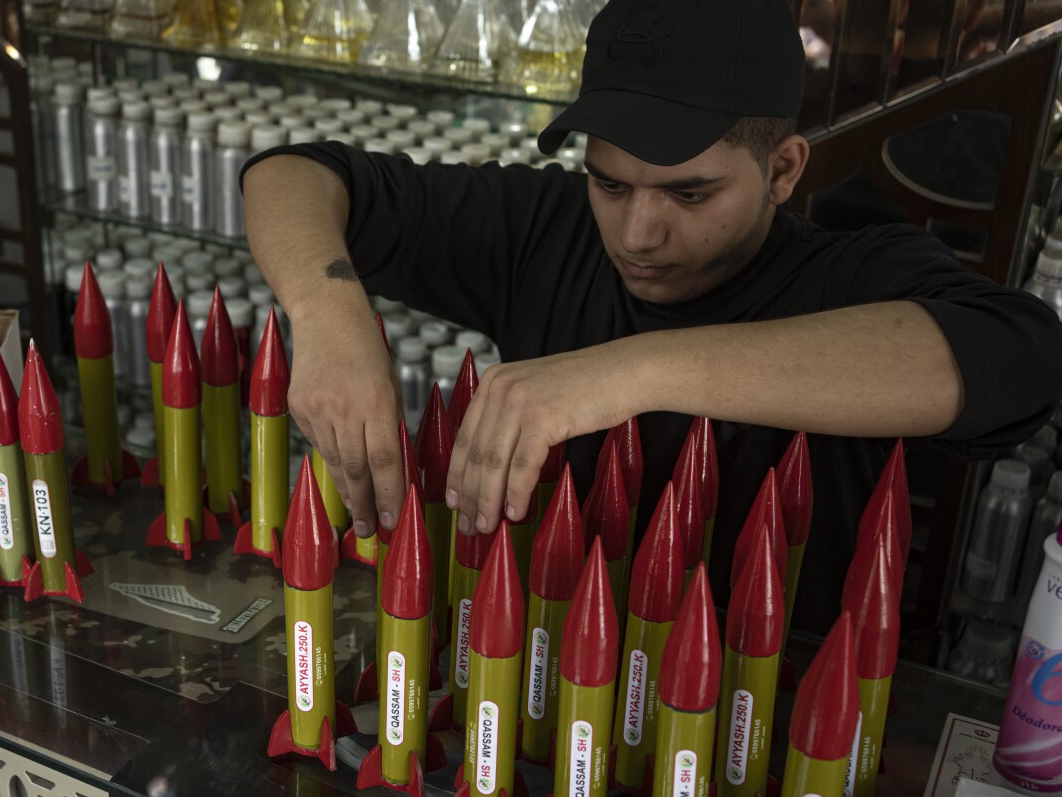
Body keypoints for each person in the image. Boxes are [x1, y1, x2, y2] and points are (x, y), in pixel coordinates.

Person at [239, 0, 1062, 630]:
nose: (638, 233)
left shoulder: (849, 275)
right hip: (537, 676)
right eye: (611, 184)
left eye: (689, 193)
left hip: (759, 716)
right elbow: (293, 174)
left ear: (782, 169)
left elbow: (1019, 359)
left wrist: (628, 375)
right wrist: (329, 315)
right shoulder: (543, 228)